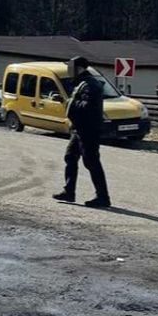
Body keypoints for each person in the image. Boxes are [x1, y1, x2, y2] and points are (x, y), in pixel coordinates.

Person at [54, 56, 111, 208]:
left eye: (70, 66)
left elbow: (87, 107)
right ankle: (69, 192)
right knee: (70, 157)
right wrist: (66, 101)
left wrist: (71, 104)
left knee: (91, 162)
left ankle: (103, 197)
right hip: (79, 129)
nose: (68, 70)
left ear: (78, 68)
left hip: (88, 130)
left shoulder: (90, 85)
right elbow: (79, 103)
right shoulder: (82, 83)